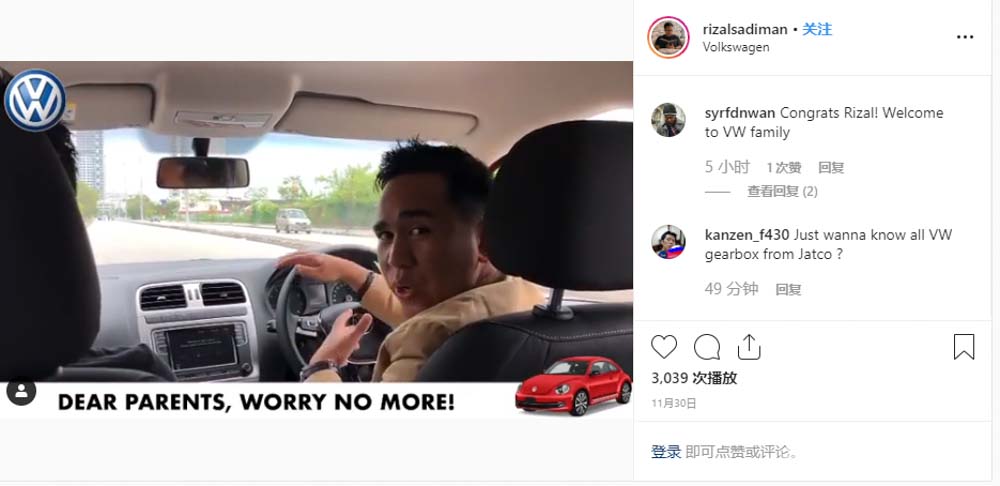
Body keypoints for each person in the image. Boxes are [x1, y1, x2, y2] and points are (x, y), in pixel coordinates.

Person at [279, 140, 545, 382]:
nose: (395, 258)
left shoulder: (428, 345)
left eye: (419, 231)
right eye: (386, 235)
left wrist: (321, 366)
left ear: (484, 240)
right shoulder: (525, 297)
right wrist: (349, 272)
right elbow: (435, 316)